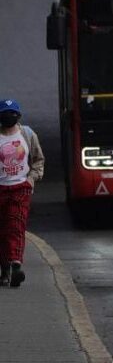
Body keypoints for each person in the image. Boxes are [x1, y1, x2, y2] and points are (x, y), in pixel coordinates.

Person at [0, 99, 44, 288]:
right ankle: (5, 270)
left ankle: (16, 264)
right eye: (5, 113)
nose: (9, 117)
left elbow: (38, 160)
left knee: (16, 227)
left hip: (20, 188)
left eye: (12, 113)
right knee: (2, 232)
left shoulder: (27, 134)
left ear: (18, 116)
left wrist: (32, 178)